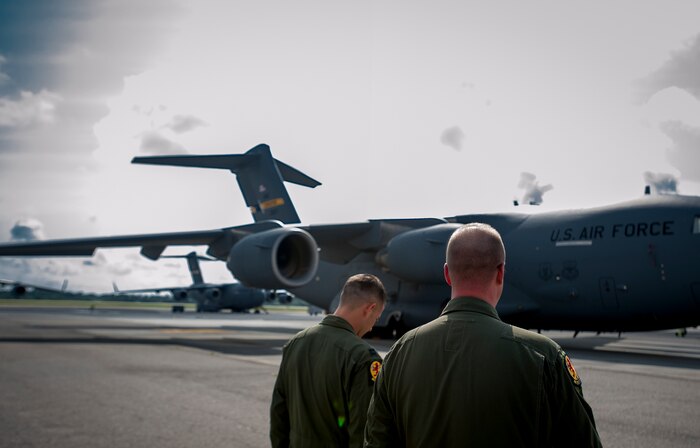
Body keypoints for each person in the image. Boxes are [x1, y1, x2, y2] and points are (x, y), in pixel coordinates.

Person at [364, 223, 602, 447]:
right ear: (501, 273)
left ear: (447, 274)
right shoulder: (543, 356)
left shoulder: (400, 353)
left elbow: (377, 440)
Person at [270, 273, 386, 448]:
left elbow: (279, 412)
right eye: (376, 318)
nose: (371, 328)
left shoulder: (295, 343)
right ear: (369, 309)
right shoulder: (363, 358)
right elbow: (363, 430)